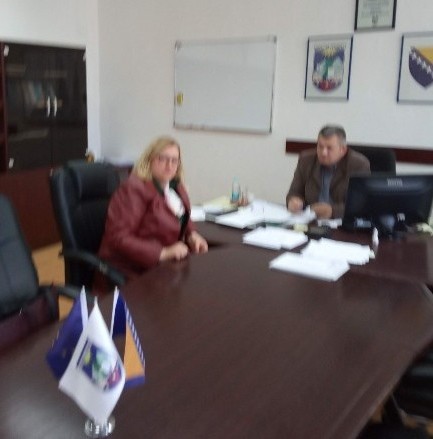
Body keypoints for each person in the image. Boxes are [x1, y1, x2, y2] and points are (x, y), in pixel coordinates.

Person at [98, 135, 208, 282]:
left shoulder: (175, 187)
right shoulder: (133, 189)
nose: (169, 165)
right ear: (149, 160)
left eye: (174, 160)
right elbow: (118, 237)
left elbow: (180, 216)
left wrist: (192, 234)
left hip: (164, 267)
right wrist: (163, 252)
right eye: (162, 159)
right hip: (131, 270)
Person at [286, 125, 370, 219]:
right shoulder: (306, 160)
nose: (323, 153)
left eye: (329, 148)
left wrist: (333, 211)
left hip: (341, 221)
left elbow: (360, 205)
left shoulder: (358, 164)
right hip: (310, 219)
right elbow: (294, 192)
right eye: (320, 146)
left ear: (342, 150)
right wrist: (293, 201)